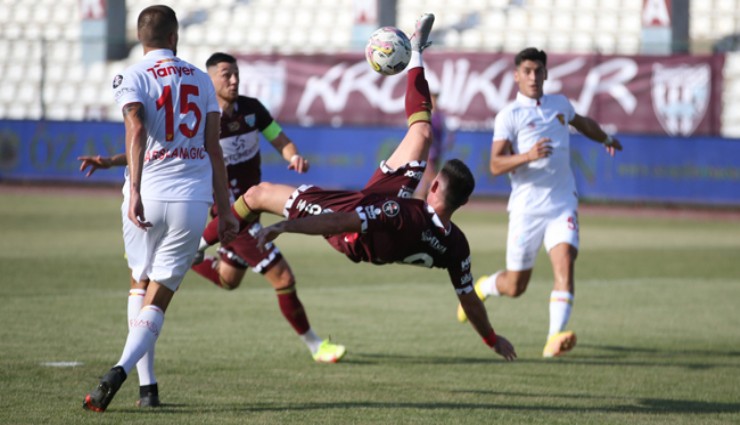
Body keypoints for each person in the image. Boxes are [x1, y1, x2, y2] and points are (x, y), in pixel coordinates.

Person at [202, 13, 517, 362]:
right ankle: (416, 51)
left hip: (355, 231)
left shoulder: (400, 213)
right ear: (463, 202)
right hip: (387, 211)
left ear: (435, 185)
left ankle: (195, 246)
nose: (234, 79)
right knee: (423, 133)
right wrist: (491, 338)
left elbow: (341, 222)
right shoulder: (457, 245)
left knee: (257, 196)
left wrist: (286, 226)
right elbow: (468, 298)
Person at [79, 52, 346, 365]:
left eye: (236, 74)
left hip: (252, 210)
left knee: (228, 279)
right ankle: (316, 346)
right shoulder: (201, 117)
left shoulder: (252, 110)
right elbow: (157, 149)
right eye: (226, 75)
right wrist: (111, 161)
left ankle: (185, 255)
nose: (233, 80)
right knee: (283, 278)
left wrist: (293, 155)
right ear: (210, 79)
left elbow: (279, 139)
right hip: (231, 215)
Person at [81, 5, 238, 412]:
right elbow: (213, 150)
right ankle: (132, 380)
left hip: (147, 193)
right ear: (174, 37)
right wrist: (226, 209)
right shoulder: (201, 79)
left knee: (139, 281)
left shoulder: (131, 76)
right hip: (191, 199)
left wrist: (134, 190)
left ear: (140, 37)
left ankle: (143, 383)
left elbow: (135, 128)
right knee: (159, 296)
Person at [456, 47, 623, 358]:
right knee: (515, 286)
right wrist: (528, 156)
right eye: (527, 71)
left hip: (562, 204)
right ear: (517, 76)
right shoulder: (509, 115)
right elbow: (495, 164)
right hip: (527, 210)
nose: (533, 77)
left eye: (538, 71)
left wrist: (606, 138)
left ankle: (553, 337)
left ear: (546, 74)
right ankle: (485, 287)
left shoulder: (560, 105)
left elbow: (582, 123)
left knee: (565, 263)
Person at [414, 89, 453, 199]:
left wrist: (446, 144)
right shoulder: (424, 115)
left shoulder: (440, 116)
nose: (434, 101)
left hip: (437, 152)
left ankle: (420, 201)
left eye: (435, 99)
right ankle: (444, 195)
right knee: (432, 177)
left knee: (425, 182)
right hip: (427, 152)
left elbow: (449, 133)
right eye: (431, 99)